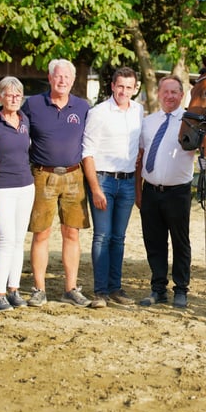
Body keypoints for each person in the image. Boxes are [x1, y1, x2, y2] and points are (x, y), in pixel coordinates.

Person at [21, 59, 91, 308]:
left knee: (71, 232)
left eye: (66, 77)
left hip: (74, 176)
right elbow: (16, 130)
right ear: (50, 78)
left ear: (73, 80)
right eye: (58, 76)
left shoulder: (82, 107)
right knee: (41, 233)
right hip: (43, 175)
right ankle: (39, 289)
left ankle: (70, 289)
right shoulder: (33, 104)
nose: (62, 81)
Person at [136, 75, 206, 309]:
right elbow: (140, 157)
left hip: (177, 192)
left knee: (180, 242)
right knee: (154, 242)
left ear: (181, 95)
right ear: (158, 94)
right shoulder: (148, 122)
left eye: (174, 92)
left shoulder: (190, 121)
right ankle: (158, 288)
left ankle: (181, 289)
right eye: (165, 92)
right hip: (150, 191)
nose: (169, 96)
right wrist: (139, 191)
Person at [82, 67, 143, 308]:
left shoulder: (138, 111)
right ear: (112, 86)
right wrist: (95, 189)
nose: (124, 91)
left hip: (127, 182)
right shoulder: (98, 113)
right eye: (120, 86)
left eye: (129, 87)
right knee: (102, 236)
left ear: (135, 89)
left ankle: (115, 287)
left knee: (118, 238)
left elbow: (139, 148)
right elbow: (87, 153)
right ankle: (100, 292)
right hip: (103, 181)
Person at [0, 77, 35, 311]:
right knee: (6, 239)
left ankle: (14, 289)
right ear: (0, 97)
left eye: (17, 95)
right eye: (9, 94)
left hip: (26, 186)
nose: (14, 99)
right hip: (2, 187)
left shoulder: (25, 121)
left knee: (19, 240)